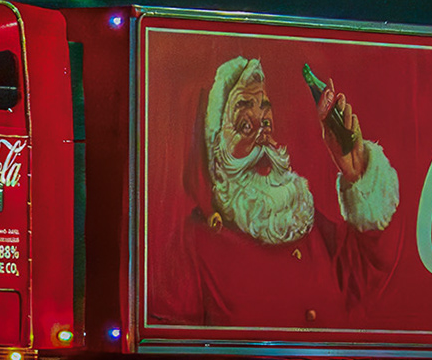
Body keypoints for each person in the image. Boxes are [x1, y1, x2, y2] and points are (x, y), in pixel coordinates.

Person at [150, 56, 400, 328]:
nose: (262, 138)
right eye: (245, 126)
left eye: (266, 122)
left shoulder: (300, 222)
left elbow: (366, 276)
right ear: (216, 153)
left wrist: (356, 169)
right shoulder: (192, 244)